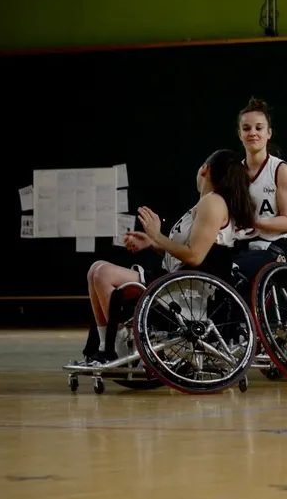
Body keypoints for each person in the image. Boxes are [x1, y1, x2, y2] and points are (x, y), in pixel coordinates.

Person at [78, 149, 256, 364]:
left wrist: (157, 235)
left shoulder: (213, 202)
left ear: (204, 170)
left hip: (188, 289)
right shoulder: (206, 203)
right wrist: (153, 243)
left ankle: (117, 345)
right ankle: (107, 346)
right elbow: (184, 252)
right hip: (176, 280)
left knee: (103, 274)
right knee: (95, 269)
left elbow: (195, 256)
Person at [233, 97, 287, 280]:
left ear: (269, 133)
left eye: (258, 128)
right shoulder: (235, 173)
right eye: (246, 128)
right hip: (243, 246)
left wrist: (253, 222)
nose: (252, 133)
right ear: (239, 134)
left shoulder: (280, 170)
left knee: (237, 270)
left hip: (276, 246)